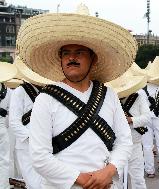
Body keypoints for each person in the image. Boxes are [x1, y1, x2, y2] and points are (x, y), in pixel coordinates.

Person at [16, 5, 137, 189]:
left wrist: (108, 171)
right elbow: (39, 156)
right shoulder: (46, 98)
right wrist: (81, 179)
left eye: (79, 52)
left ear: (93, 59)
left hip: (106, 184)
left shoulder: (109, 95)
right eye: (66, 53)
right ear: (61, 59)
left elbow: (124, 141)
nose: (71, 58)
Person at [9, 57, 53, 189]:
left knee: (47, 182)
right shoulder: (20, 92)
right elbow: (14, 122)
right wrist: (33, 137)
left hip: (47, 145)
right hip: (26, 146)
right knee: (33, 183)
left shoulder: (49, 92)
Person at [107, 71, 151, 189]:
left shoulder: (138, 97)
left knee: (138, 179)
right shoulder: (110, 98)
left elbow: (147, 117)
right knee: (116, 179)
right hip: (116, 145)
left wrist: (130, 119)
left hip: (135, 144)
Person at [0, 62, 17, 189]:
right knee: (4, 160)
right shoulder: (10, 93)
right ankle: (3, 185)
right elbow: (10, 117)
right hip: (2, 129)